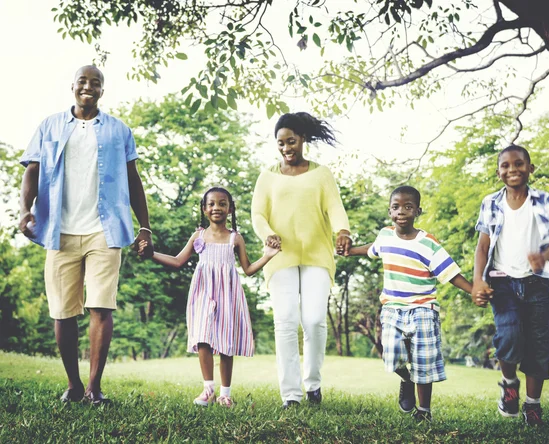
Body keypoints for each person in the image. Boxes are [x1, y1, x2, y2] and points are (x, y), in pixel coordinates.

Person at [18, 65, 153, 405]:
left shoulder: (119, 131)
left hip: (103, 231)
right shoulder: (49, 126)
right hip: (58, 231)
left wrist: (145, 226)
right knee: (63, 312)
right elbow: (32, 170)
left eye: (96, 83)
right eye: (83, 81)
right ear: (73, 87)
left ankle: (94, 387)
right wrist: (25, 209)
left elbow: (133, 180)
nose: (88, 87)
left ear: (102, 91)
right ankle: (73, 385)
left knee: (100, 307)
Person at [139, 187, 279, 407]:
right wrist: (151, 254)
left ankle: (225, 394)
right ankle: (208, 390)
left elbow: (248, 269)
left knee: (225, 342)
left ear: (230, 209)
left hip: (227, 292)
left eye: (222, 204)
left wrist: (268, 255)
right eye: (211, 204)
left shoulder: (235, 238)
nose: (217, 208)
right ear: (204, 209)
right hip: (203, 290)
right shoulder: (199, 235)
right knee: (202, 336)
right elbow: (177, 261)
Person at [346, 186, 476, 422]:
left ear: (418, 210)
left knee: (423, 363)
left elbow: (449, 273)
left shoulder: (427, 243)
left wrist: (473, 290)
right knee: (391, 357)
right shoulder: (385, 235)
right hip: (392, 309)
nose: (401, 211)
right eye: (396, 207)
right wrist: (351, 251)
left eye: (408, 207)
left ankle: (424, 411)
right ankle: (406, 379)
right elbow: (372, 250)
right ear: (389, 212)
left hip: (423, 310)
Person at [251, 112, 352, 408]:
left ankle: (313, 385)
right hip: (280, 256)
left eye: (291, 141)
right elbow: (258, 214)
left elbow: (335, 207)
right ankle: (291, 395)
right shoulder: (267, 176)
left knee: (314, 320)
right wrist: (267, 234)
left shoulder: (321, 174)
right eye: (280, 143)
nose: (286, 148)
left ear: (303, 139)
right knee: (285, 322)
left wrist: (343, 231)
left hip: (317, 255)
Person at [472, 145, 549, 426]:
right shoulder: (491, 203)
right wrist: (478, 280)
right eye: (506, 166)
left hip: (537, 284)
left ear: (530, 168)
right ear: (498, 172)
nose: (512, 169)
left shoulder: (544, 200)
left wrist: (544, 256)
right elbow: (483, 246)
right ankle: (509, 386)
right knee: (509, 336)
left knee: (539, 345)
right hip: (502, 283)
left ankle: (533, 406)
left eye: (519, 164)